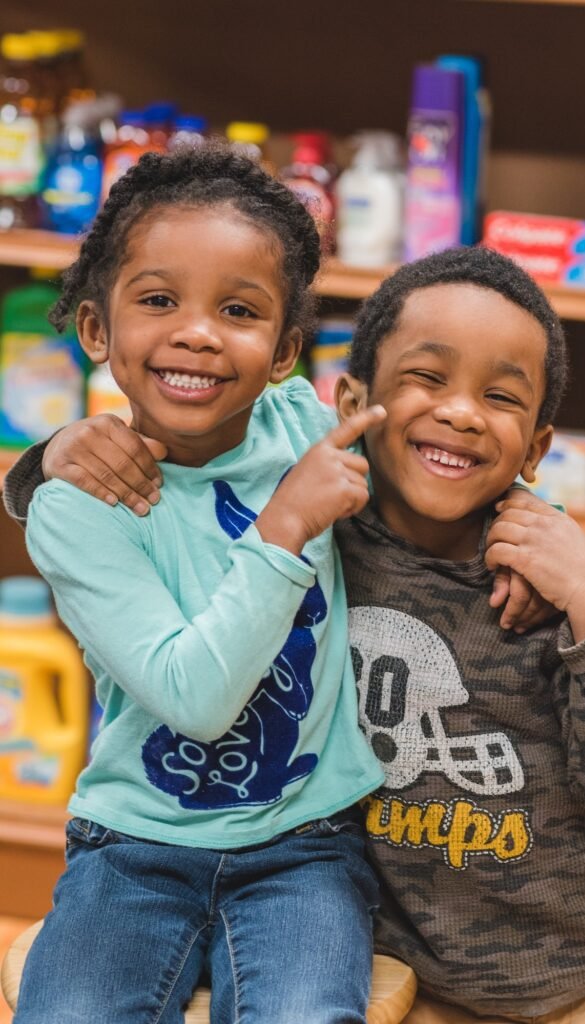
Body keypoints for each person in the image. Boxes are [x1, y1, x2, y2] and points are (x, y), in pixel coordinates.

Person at [4, 246, 585, 1023]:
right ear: (350, 405)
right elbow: (196, 447)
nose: (461, 411)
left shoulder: (564, 578)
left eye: (499, 397)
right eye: (426, 379)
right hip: (389, 961)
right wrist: (50, 458)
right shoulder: (327, 518)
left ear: (536, 446)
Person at [8, 145, 388, 1024]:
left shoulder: (308, 426)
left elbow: (440, 458)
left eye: (239, 310)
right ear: (96, 330)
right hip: (132, 848)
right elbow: (196, 696)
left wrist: (540, 519)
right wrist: (286, 524)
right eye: (156, 300)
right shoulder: (81, 505)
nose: (197, 332)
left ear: (286, 350)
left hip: (308, 847)